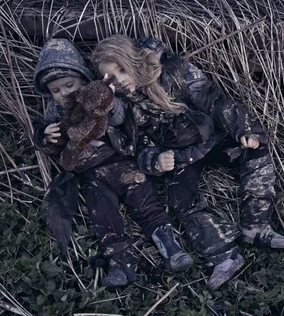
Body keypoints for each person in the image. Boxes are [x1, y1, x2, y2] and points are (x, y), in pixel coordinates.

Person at [92, 34, 284, 290]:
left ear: (133, 58)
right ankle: (223, 255)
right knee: (181, 199)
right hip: (181, 154)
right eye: (110, 77)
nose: (119, 79)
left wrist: (244, 130)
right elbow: (134, 146)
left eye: (121, 68)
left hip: (211, 138)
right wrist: (155, 160)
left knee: (256, 153)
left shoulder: (174, 70)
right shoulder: (121, 106)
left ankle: (256, 225)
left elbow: (213, 101)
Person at [31, 38, 194, 289]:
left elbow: (120, 117)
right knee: (102, 213)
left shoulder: (99, 93)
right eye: (55, 90)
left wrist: (101, 106)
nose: (63, 94)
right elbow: (49, 142)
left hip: (122, 161)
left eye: (69, 85)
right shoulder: (55, 111)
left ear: (84, 79)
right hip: (91, 173)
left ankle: (170, 248)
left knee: (144, 199)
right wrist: (46, 136)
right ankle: (120, 263)